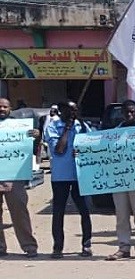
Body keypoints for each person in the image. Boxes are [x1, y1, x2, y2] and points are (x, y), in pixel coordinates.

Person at [44, 101, 92, 258]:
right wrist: (67, 129)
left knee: (84, 210)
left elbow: (93, 147)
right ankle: (58, 247)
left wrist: (82, 151)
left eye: (75, 110)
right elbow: (59, 149)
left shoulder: (83, 126)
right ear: (61, 111)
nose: (72, 113)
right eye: (69, 110)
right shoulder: (53, 126)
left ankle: (86, 245)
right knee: (58, 211)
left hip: (79, 175)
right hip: (61, 176)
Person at [106, 100, 135, 261]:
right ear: (122, 113)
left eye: (132, 112)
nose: (129, 114)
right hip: (119, 179)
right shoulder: (112, 134)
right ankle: (123, 247)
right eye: (127, 112)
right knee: (121, 215)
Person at [0, 97, 39, 258]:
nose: (2, 109)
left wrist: (36, 136)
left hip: (14, 176)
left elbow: (32, 148)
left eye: (5, 106)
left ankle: (29, 246)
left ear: (10, 108)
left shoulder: (19, 126)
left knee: (19, 212)